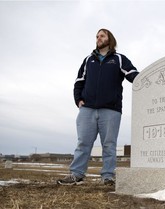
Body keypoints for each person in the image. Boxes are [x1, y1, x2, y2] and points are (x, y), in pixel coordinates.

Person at [57, 28, 139, 186]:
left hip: (111, 110)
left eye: (102, 35)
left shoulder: (119, 59)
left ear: (110, 39)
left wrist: (149, 79)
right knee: (83, 143)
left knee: (109, 145)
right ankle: (77, 175)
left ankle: (107, 177)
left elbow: (133, 74)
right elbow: (79, 81)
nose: (98, 38)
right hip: (87, 109)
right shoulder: (89, 60)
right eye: (97, 36)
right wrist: (78, 100)